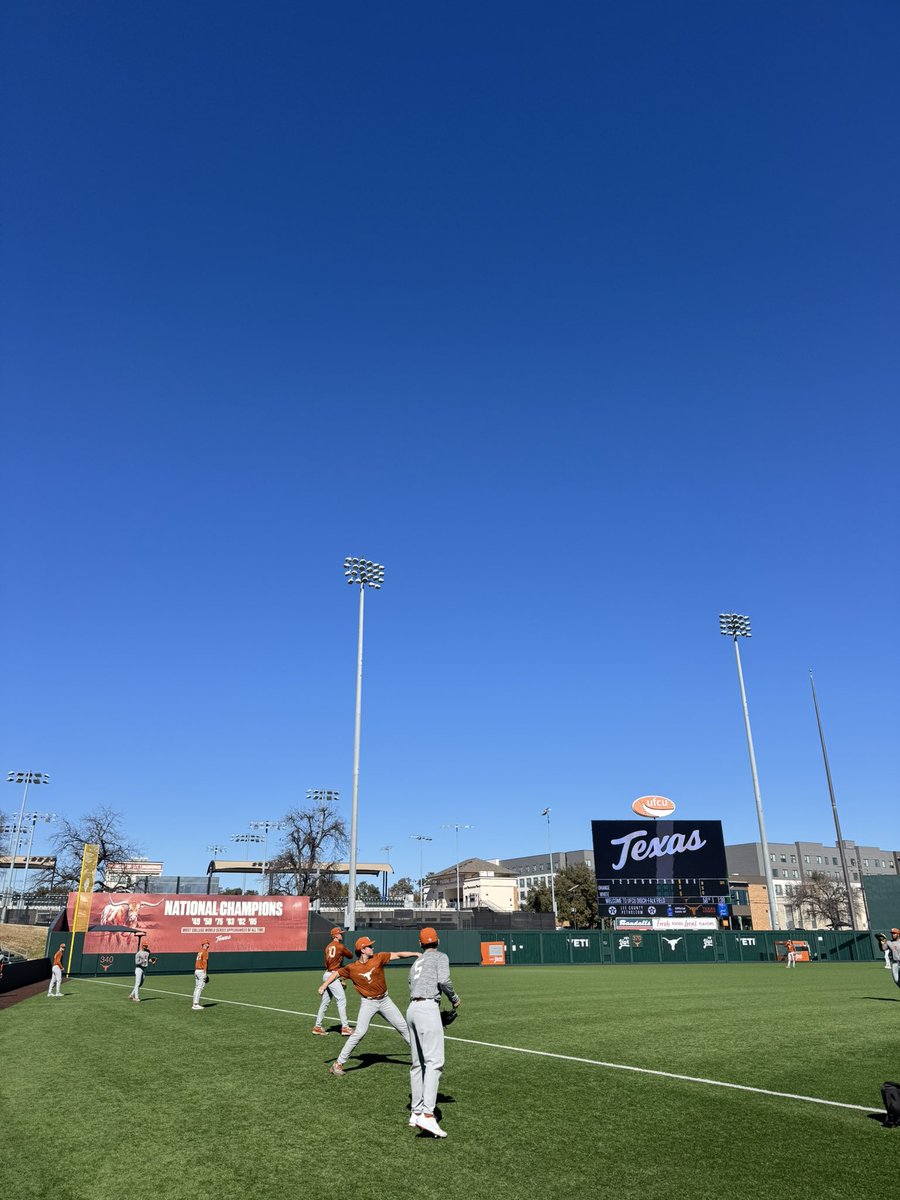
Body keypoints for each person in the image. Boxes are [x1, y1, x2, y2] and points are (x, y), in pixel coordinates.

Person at [318, 936, 420, 1076]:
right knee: (359, 1033)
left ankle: (420, 1058)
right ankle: (338, 1064)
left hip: (385, 1000)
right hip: (368, 1003)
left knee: (403, 1027)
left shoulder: (379, 958)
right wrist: (324, 985)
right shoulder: (352, 968)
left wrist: (415, 954)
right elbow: (336, 974)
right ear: (362, 950)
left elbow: (398, 954)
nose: (372, 948)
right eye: (369, 946)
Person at [407, 927, 461, 1138]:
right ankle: (428, 1115)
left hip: (412, 1009)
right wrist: (454, 998)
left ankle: (416, 1110)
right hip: (427, 1007)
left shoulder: (416, 962)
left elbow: (411, 984)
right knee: (434, 1062)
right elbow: (444, 981)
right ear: (437, 941)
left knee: (417, 1063)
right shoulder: (440, 956)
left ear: (420, 944)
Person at [312, 927, 354, 1036]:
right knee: (341, 1000)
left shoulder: (328, 947)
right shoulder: (340, 946)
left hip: (326, 974)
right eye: (340, 933)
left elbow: (326, 963)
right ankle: (345, 1027)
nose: (341, 935)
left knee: (325, 1003)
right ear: (335, 935)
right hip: (333, 975)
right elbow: (350, 955)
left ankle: (317, 1026)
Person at [191, 941, 210, 1010]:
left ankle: (194, 1003)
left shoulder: (200, 951)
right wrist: (205, 973)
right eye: (208, 943)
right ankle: (196, 1004)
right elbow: (205, 963)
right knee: (200, 988)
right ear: (204, 944)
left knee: (197, 987)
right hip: (201, 971)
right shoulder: (205, 952)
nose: (208, 945)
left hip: (197, 970)